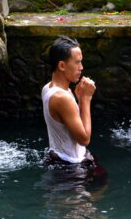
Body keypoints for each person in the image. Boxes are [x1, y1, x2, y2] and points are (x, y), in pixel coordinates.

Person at [41, 35, 98, 168]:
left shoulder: (48, 88)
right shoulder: (62, 97)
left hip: (59, 158)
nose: (81, 67)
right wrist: (85, 100)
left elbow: (66, 123)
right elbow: (84, 139)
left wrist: (78, 99)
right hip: (71, 167)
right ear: (62, 65)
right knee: (101, 186)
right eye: (77, 62)